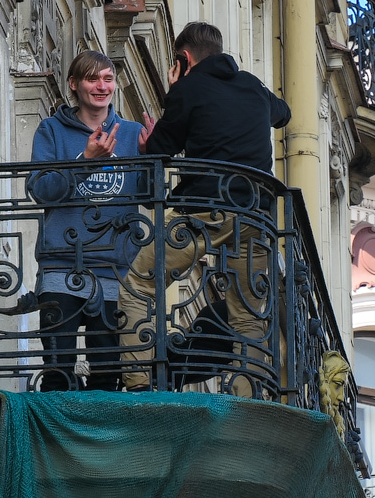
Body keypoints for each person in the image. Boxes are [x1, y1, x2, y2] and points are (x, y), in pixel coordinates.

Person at [120, 22, 290, 392]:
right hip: (256, 216)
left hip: (204, 211)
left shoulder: (188, 88)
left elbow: (160, 149)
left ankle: (137, 387)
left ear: (183, 58)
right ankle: (249, 401)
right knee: (248, 315)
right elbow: (284, 113)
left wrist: (175, 89)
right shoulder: (254, 88)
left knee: (137, 286)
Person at [29, 49, 150, 391]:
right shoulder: (52, 130)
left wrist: (154, 155)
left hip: (114, 269)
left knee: (108, 373)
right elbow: (40, 190)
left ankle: (101, 441)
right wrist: (87, 161)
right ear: (74, 84)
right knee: (56, 370)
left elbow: (146, 195)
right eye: (92, 78)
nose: (101, 86)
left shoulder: (131, 133)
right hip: (60, 266)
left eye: (108, 79)